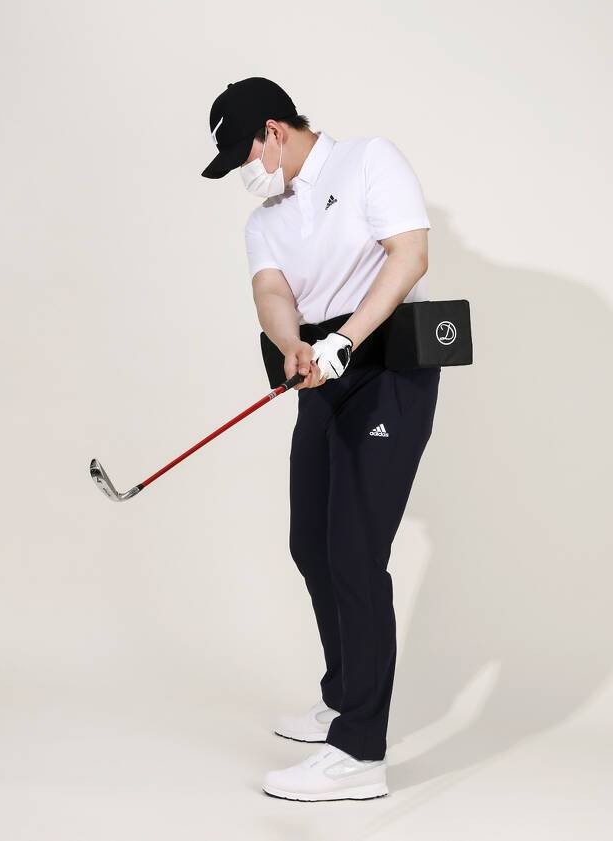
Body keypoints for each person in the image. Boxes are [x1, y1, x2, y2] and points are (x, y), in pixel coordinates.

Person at [201, 76, 441, 802]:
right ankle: (343, 696)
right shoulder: (265, 220)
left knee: (355, 554)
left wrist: (344, 339)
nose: (245, 175)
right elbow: (272, 292)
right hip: (321, 370)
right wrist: (293, 346)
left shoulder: (368, 160)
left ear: (274, 132)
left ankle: (360, 753)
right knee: (311, 542)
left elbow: (410, 255)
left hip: (389, 364)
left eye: (245, 156)